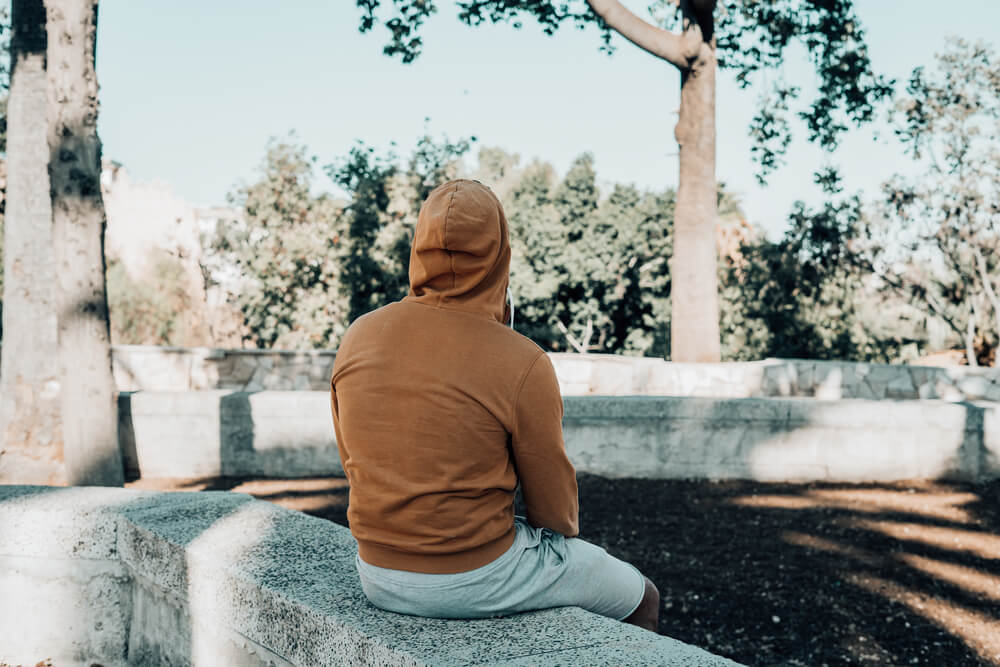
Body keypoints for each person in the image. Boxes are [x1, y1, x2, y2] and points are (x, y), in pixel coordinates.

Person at [330, 179, 660, 631]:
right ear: (499, 253)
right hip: (476, 575)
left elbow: (352, 459)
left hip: (377, 572)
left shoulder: (359, 336)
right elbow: (555, 515)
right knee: (643, 597)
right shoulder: (522, 360)